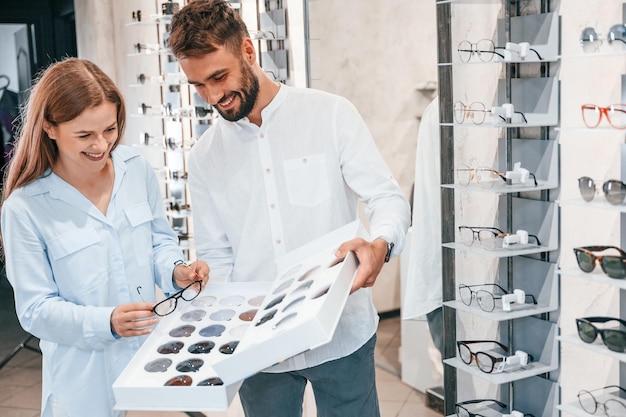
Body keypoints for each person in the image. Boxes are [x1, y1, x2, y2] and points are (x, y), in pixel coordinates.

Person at [168, 2, 411, 416]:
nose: (213, 97)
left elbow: (387, 198)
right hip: (260, 350)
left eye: (219, 77)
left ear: (248, 50)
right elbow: (218, 256)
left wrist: (380, 244)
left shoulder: (330, 114)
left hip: (342, 333)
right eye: (198, 85)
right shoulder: (205, 157)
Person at [0, 57, 209, 417]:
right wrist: (106, 322)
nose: (101, 145)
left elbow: (158, 241)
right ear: (49, 127)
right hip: (83, 383)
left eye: (110, 130)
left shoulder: (136, 169)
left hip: (150, 362)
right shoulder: (25, 207)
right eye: (84, 135)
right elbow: (35, 310)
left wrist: (176, 272)